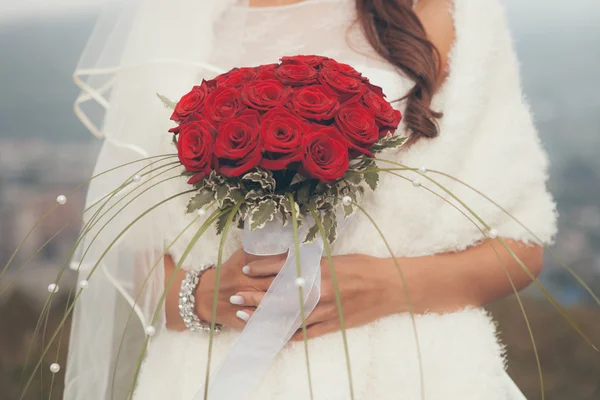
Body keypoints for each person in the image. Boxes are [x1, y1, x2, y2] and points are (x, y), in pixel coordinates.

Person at [66, 0, 557, 399]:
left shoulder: (444, 15)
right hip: (207, 374)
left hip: (403, 375)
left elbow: (520, 245)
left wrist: (387, 286)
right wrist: (204, 295)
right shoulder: (179, 24)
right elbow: (146, 270)